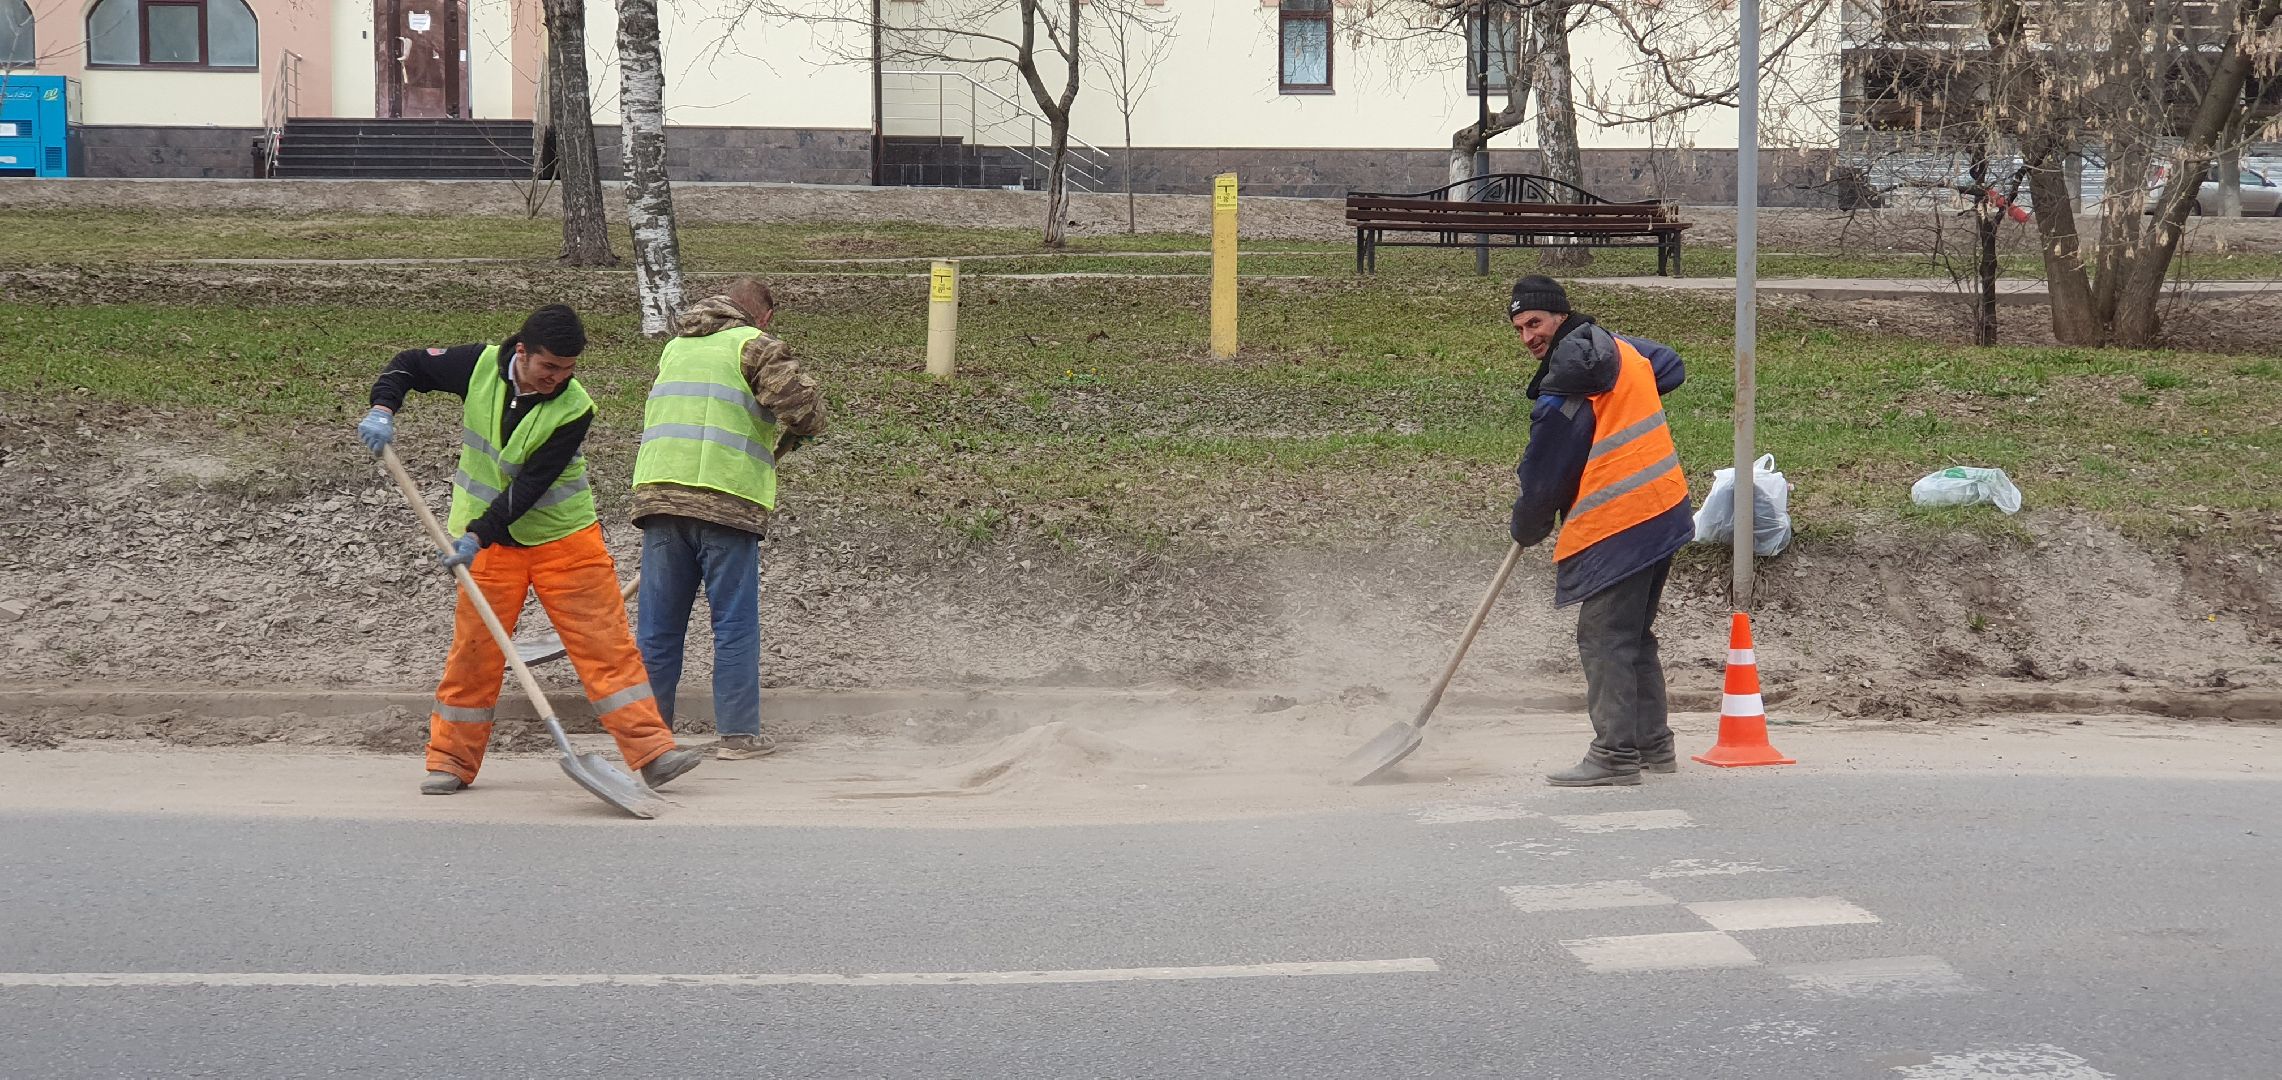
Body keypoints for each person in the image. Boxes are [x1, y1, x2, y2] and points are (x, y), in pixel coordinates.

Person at [356, 304, 706, 795]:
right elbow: (408, 364)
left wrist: (478, 533)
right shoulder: (477, 367)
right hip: (489, 548)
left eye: (567, 369)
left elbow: (531, 487)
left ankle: (652, 753)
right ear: (522, 352)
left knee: (606, 646)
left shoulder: (575, 407)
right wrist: (382, 407)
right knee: (475, 652)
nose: (557, 379)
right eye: (549, 367)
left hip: (565, 538)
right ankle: (452, 761)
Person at [1504, 275, 1693, 787]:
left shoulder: (1564, 390)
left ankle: (1613, 756)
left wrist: (1529, 523)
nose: (1528, 337)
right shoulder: (1623, 352)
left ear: (1561, 316)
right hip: (1665, 507)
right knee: (1633, 635)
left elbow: (1543, 479)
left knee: (1604, 637)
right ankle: (1652, 746)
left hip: (1622, 521)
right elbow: (1669, 366)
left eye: (1535, 322)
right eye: (1519, 328)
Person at [629, 279, 826, 759]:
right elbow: (804, 411)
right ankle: (738, 736)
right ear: (764, 316)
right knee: (734, 624)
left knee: (658, 628)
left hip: (659, 499)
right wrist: (802, 426)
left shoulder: (674, 348)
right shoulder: (754, 346)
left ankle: (649, 741)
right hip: (726, 501)